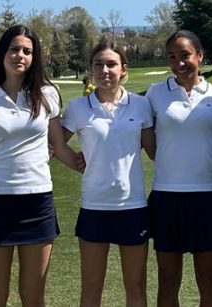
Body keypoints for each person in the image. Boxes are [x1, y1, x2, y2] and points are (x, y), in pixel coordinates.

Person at [0, 24, 82, 307]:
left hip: (37, 202)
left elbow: (59, 146)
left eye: (27, 51)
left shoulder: (47, 95)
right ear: (2, 52)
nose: (20, 55)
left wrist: (88, 166)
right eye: (14, 49)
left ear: (34, 57)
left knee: (33, 296)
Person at [61, 39, 156, 307]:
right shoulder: (79, 108)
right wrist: (74, 162)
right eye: (98, 64)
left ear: (123, 69)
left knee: (136, 288)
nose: (105, 70)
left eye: (111, 64)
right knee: (91, 289)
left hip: (133, 206)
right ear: (91, 69)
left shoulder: (140, 105)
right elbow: (54, 143)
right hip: (94, 206)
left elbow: (156, 152)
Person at [145, 30, 212, 307]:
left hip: (206, 197)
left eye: (185, 55)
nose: (178, 62)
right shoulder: (155, 94)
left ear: (200, 56)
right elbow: (145, 139)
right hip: (166, 197)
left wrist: (208, 161)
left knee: (209, 281)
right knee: (168, 283)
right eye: (172, 56)